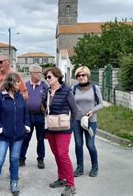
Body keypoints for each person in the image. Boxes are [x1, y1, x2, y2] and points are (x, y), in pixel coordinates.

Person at [0, 54, 27, 179]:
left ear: (8, 62)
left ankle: (12, 171)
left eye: (1, 62)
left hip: (11, 117)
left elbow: (25, 96)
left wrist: (11, 98)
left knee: (13, 143)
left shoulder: (16, 77)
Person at [43, 67, 77, 196]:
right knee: (57, 154)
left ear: (57, 77)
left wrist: (70, 126)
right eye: (46, 77)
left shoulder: (67, 91)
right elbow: (45, 110)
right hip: (51, 128)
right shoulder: (47, 91)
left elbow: (75, 110)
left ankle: (71, 185)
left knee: (63, 155)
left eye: (49, 77)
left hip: (63, 129)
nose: (47, 79)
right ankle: (62, 178)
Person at [72, 66, 104, 177]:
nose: (81, 77)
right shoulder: (74, 88)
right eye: (78, 75)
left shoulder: (95, 88)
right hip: (76, 121)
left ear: (88, 76)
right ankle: (79, 167)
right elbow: (71, 103)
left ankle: (95, 167)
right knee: (78, 144)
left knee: (90, 145)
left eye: (83, 75)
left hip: (91, 121)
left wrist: (92, 111)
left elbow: (101, 104)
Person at [19, 64, 48, 169]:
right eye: (37, 72)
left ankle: (41, 159)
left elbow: (48, 101)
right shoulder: (24, 85)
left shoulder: (45, 86)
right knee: (25, 138)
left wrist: (45, 108)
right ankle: (21, 158)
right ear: (31, 73)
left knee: (40, 139)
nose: (40, 74)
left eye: (40, 72)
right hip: (27, 116)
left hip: (40, 116)